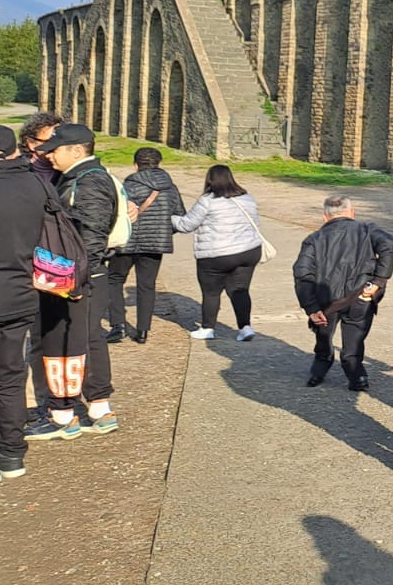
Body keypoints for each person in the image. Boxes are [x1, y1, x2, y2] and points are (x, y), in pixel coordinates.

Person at [0, 126, 50, 485]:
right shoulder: (36, 186)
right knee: (11, 373)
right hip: (23, 294)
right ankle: (12, 454)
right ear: (16, 153)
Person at [32, 122, 120, 436]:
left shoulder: (89, 181)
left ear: (75, 150)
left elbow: (92, 236)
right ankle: (98, 409)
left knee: (63, 342)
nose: (48, 157)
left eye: (53, 150)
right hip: (80, 275)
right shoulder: (79, 177)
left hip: (75, 278)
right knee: (88, 339)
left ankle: (62, 413)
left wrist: (75, 282)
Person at [293, 194, 393, 390]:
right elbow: (389, 245)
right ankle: (356, 375)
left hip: (326, 299)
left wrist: (311, 307)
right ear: (352, 213)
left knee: (323, 335)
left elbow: (302, 273)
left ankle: (319, 368)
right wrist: (378, 281)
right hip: (360, 296)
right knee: (355, 338)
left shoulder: (313, 239)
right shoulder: (367, 229)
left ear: (325, 217)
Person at [172, 165, 265, 341]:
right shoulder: (247, 198)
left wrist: (170, 219)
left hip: (217, 254)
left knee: (211, 292)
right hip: (248, 251)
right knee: (240, 289)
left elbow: (187, 225)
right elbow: (256, 222)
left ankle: (208, 328)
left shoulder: (207, 200)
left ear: (209, 180)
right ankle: (245, 327)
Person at [105, 147, 185, 344]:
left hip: (127, 242)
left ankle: (118, 325)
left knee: (114, 280)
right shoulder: (170, 188)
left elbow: (115, 212)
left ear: (136, 165)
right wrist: (163, 232)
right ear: (159, 164)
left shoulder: (128, 186)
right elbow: (179, 216)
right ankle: (142, 331)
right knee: (147, 286)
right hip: (155, 243)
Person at [18, 112, 62, 424]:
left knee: (49, 337)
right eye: (52, 140)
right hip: (22, 266)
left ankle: (50, 398)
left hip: (55, 270)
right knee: (24, 338)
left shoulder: (66, 172)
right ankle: (29, 401)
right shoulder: (19, 173)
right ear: (31, 143)